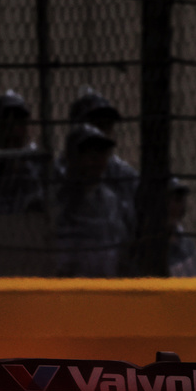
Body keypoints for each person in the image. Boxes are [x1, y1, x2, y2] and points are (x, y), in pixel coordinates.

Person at [51, 125, 133, 278]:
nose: (97, 161)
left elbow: (121, 248)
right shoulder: (56, 200)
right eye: (89, 154)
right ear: (72, 157)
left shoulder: (110, 200)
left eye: (102, 153)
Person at [66, 88, 139, 223]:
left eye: (107, 126)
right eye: (96, 125)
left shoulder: (125, 175)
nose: (102, 133)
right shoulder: (61, 173)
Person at [166, 177, 196, 277]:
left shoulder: (186, 242)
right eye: (169, 200)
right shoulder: (148, 245)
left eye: (179, 200)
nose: (176, 206)